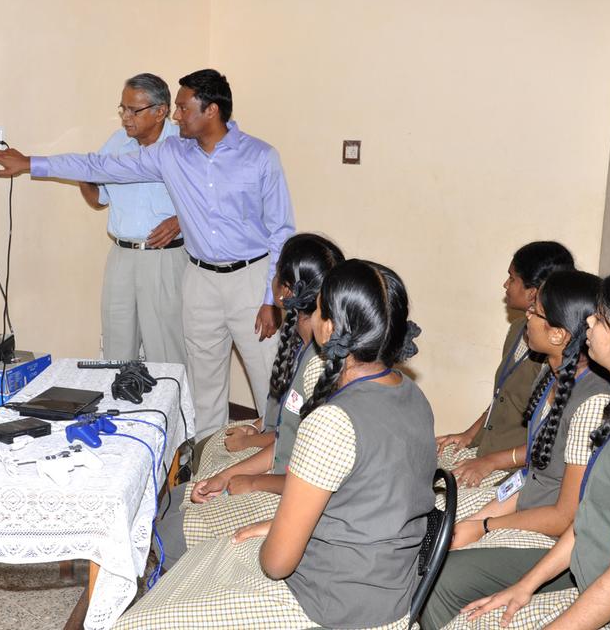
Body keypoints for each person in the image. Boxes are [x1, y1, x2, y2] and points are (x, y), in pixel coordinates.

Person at [114, 259, 434, 629]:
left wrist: (273, 537)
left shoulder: (333, 421)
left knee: (141, 620)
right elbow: (363, 504)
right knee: (211, 560)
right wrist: (276, 526)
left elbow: (276, 563)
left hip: (331, 602)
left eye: (316, 309)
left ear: (328, 327)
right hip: (389, 589)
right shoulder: (413, 396)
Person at [0, 69, 295, 438]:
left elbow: (282, 231)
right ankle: (200, 467)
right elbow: (101, 167)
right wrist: (31, 163)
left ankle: (279, 466)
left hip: (250, 278)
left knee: (267, 380)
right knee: (204, 384)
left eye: (182, 108)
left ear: (210, 110)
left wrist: (270, 298)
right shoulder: (171, 155)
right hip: (199, 280)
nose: (177, 115)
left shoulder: (261, 157)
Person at [451, 266, 610, 630]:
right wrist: (525, 586)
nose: (588, 320)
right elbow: (588, 521)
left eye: (602, 317)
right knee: (471, 620)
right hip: (603, 595)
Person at [421, 270, 610, 629]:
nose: (526, 314)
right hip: (530, 511)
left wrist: (486, 526)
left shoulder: (593, 401)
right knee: (436, 530)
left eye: (535, 311)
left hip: (557, 541)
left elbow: (564, 518)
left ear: (558, 334)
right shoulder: (551, 375)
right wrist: (475, 522)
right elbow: (533, 471)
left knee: (442, 579)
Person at [155, 233, 343, 566]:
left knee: (170, 534)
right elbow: (288, 440)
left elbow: (308, 476)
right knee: (177, 501)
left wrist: (251, 481)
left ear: (285, 290)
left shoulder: (321, 366)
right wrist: (225, 478)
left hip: (291, 498)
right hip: (281, 478)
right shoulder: (306, 347)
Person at [436, 241, 574, 491]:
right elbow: (504, 395)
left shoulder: (555, 353)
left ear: (534, 292)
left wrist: (489, 462)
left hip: (515, 469)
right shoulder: (518, 330)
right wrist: (468, 435)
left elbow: (554, 439)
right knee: (428, 463)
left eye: (512, 278)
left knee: (443, 499)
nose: (505, 285)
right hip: (490, 449)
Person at [78, 73, 186, 363]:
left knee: (166, 349)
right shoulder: (117, 143)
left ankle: (171, 408)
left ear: (161, 111)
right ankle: (120, 408)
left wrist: (180, 220)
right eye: (122, 109)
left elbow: (213, 199)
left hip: (164, 257)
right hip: (121, 256)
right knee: (116, 347)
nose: (125, 117)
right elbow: (98, 199)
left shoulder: (183, 144)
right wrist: (83, 174)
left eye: (133, 110)